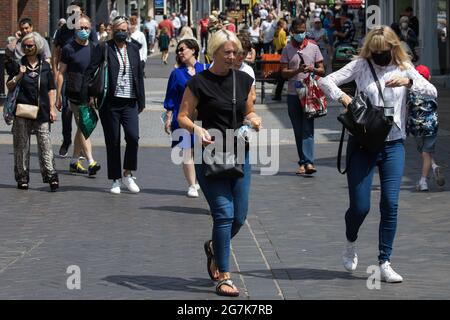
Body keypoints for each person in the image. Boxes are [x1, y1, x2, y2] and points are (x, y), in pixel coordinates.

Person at [318, 26, 438, 283]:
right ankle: (351, 240)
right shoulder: (361, 65)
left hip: (394, 144)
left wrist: (410, 81)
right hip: (363, 143)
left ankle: (385, 261)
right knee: (360, 206)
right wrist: (344, 98)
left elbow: (432, 91)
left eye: (383, 52)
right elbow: (325, 80)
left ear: (393, 48)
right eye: (374, 52)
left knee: (390, 204)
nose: (379, 56)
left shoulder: (404, 67)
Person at [177, 30, 262, 297]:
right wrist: (197, 131)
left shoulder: (245, 79)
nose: (233, 56)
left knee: (239, 216)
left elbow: (248, 111)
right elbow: (183, 116)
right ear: (213, 52)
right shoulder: (199, 83)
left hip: (239, 152)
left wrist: (254, 119)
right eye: (227, 52)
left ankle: (214, 248)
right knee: (223, 214)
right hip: (209, 153)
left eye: (236, 52)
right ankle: (224, 276)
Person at [93, 15, 146, 194]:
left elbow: (139, 75)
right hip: (110, 102)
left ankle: (128, 173)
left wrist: (142, 100)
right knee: (113, 141)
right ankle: (115, 179)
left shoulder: (133, 49)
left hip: (130, 102)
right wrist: (91, 96)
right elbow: (91, 72)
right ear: (112, 30)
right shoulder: (103, 48)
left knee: (133, 137)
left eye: (125, 30)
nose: (122, 33)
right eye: (119, 30)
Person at [6, 32, 59, 191]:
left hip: (42, 111)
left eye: (31, 45)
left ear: (38, 46)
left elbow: (51, 89)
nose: (28, 48)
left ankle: (51, 176)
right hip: (22, 110)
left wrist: (52, 109)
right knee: (21, 145)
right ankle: (22, 178)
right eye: (25, 46)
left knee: (45, 144)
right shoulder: (18, 64)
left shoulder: (45, 66)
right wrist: (19, 75)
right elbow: (9, 86)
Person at [56, 14, 101, 177]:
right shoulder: (68, 48)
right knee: (83, 125)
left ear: (91, 29)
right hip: (74, 92)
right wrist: (58, 96)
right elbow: (61, 73)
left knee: (83, 126)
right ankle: (91, 161)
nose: (83, 31)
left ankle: (74, 162)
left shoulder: (95, 48)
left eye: (86, 28)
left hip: (89, 93)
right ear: (75, 29)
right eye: (80, 28)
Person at [163, 39, 208, 198]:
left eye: (183, 49)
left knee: (202, 150)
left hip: (203, 117)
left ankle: (199, 180)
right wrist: (168, 117)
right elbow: (170, 96)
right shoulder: (176, 73)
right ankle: (191, 185)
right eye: (178, 51)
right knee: (187, 150)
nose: (180, 52)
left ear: (194, 50)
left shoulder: (206, 69)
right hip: (182, 117)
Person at [280, 18, 325, 175]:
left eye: (303, 31)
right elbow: (283, 73)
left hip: (309, 93)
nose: (301, 34)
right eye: (298, 32)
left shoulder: (313, 47)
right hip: (293, 93)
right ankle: (302, 161)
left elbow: (322, 70)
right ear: (292, 32)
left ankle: (309, 162)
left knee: (308, 128)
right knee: (298, 129)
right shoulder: (287, 49)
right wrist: (296, 71)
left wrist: (312, 68)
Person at [407, 65, 445, 191]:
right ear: (429, 77)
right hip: (431, 126)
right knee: (426, 152)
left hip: (416, 127)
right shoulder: (432, 89)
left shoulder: (411, 90)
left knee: (424, 152)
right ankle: (434, 167)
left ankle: (423, 182)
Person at [235, 33, 257, 103]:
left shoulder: (248, 70)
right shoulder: (223, 67)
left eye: (244, 53)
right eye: (239, 53)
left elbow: (253, 96)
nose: (241, 56)